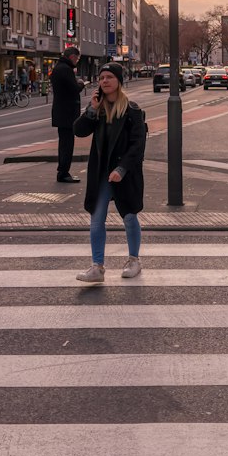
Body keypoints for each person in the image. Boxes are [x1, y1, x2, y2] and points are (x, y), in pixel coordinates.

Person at [71, 62, 147, 283]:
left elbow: (138, 145)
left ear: (119, 82)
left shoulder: (132, 110)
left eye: (109, 77)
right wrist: (92, 109)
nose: (104, 81)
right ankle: (97, 267)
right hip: (102, 174)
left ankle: (134, 260)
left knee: (130, 216)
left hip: (125, 173)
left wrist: (122, 169)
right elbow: (79, 130)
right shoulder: (99, 110)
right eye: (101, 78)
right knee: (96, 219)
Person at [50, 46, 82, 183]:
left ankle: (62, 171)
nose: (77, 61)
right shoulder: (66, 70)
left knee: (64, 143)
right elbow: (74, 89)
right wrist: (81, 84)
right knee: (67, 145)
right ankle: (63, 172)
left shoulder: (59, 68)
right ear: (72, 57)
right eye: (77, 58)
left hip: (61, 112)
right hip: (67, 113)